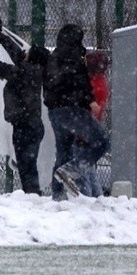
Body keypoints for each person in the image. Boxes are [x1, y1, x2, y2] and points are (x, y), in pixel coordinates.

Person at [0, 17, 50, 195]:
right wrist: (1, 35)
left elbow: (1, 67)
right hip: (34, 126)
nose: (25, 53)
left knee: (25, 166)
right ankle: (33, 195)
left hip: (24, 127)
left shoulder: (23, 73)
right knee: (29, 166)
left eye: (29, 52)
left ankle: (32, 196)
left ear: (32, 58)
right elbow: (17, 54)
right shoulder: (35, 71)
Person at [36, 24, 110, 200]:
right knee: (101, 141)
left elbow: (52, 83)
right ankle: (71, 170)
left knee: (63, 153)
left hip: (55, 112)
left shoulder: (54, 57)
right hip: (73, 110)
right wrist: (89, 100)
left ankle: (58, 196)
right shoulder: (75, 56)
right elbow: (78, 80)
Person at [75, 51, 110, 197]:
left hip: (83, 131)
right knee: (88, 169)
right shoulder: (101, 82)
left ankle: (88, 199)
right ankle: (98, 197)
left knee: (82, 172)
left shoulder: (93, 84)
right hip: (90, 130)